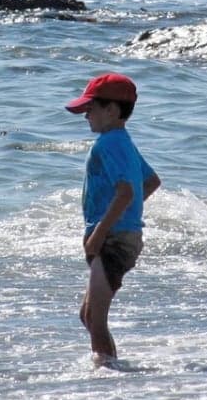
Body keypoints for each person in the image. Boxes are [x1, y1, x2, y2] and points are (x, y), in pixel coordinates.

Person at [65, 73, 160, 366]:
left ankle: (106, 374)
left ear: (113, 110)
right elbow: (151, 181)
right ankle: (110, 367)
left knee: (95, 316)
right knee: (88, 315)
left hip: (113, 239)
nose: (86, 116)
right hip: (121, 234)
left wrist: (98, 234)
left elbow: (126, 192)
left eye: (90, 109)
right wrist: (127, 215)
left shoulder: (108, 144)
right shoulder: (124, 142)